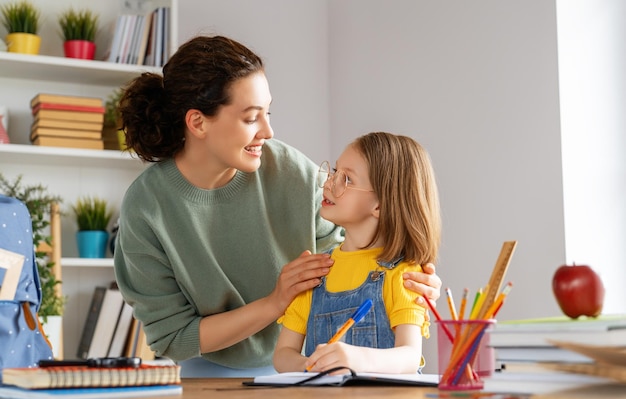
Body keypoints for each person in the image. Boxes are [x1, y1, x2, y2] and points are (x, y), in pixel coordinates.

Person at [113, 35, 442, 377]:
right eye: (251, 118)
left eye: (267, 113)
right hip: (208, 371)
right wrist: (275, 302)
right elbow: (174, 337)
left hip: (303, 369)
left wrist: (403, 271)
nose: (268, 131)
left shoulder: (291, 172)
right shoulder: (147, 208)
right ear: (198, 122)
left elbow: (348, 252)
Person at [274, 132, 441, 374]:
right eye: (334, 171)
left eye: (348, 179)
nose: (330, 183)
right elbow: (282, 355)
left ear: (380, 205)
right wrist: (311, 366)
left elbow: (410, 356)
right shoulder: (316, 271)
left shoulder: (404, 274)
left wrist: (355, 358)